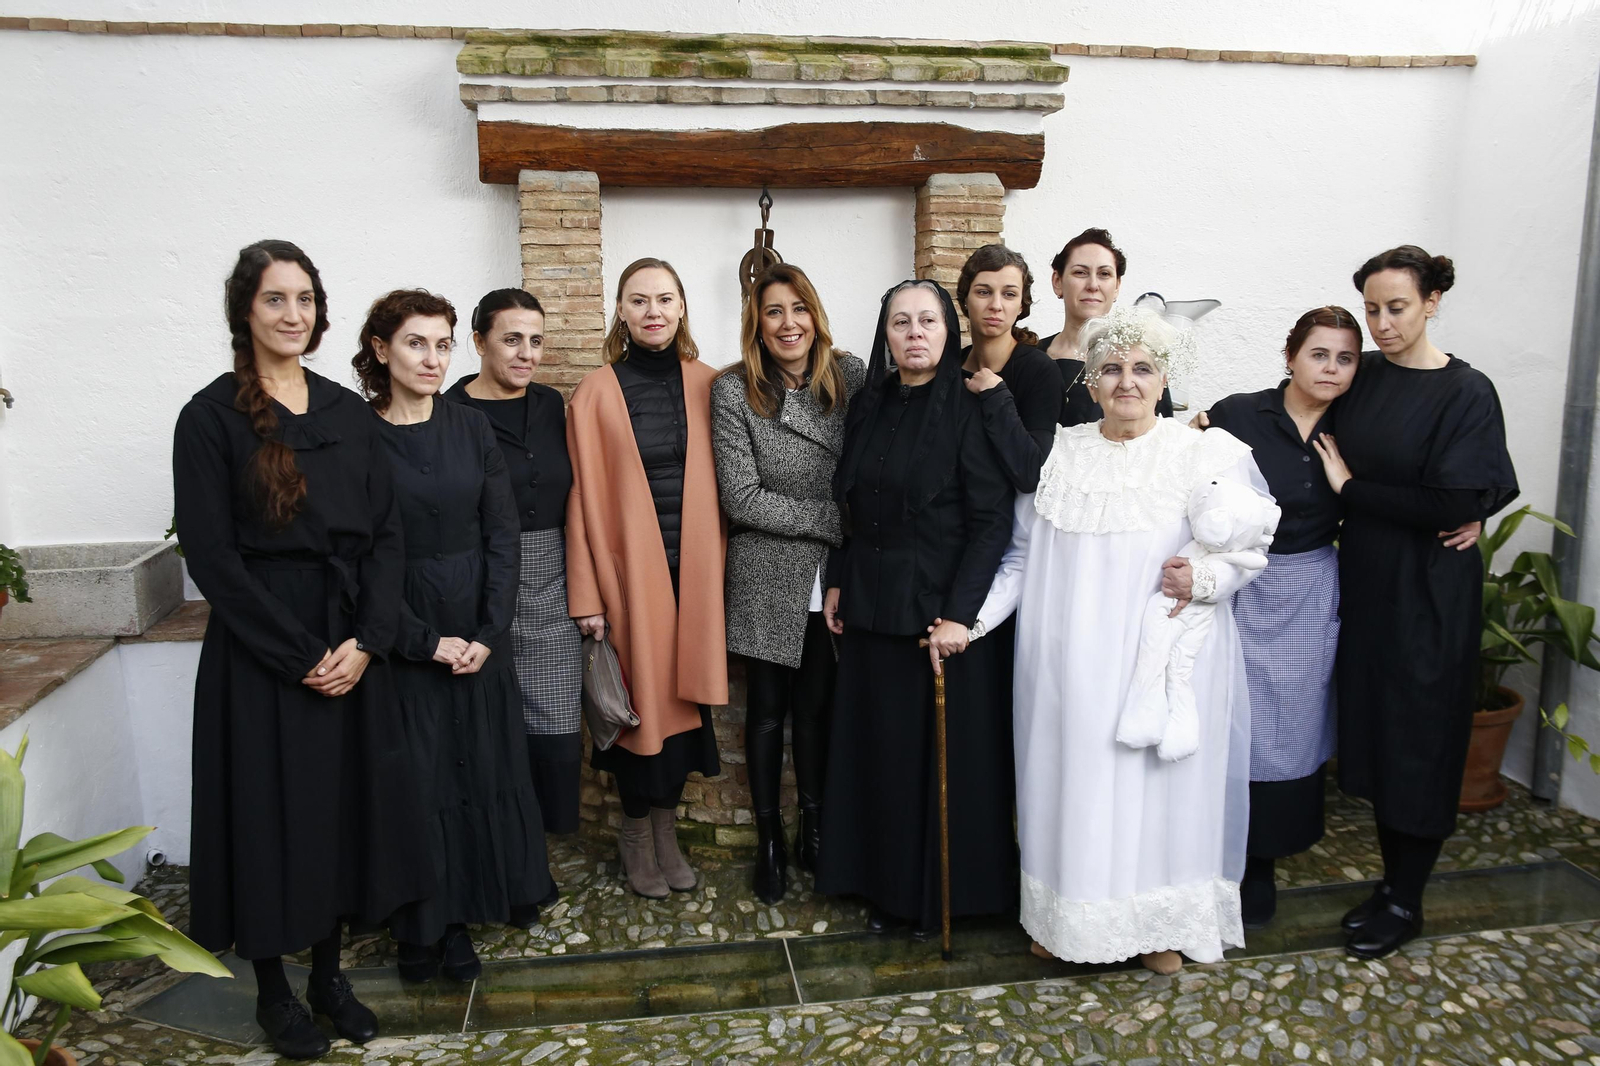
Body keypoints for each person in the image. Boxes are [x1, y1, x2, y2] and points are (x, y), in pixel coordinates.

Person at [174, 240, 429, 1059]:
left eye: (306, 300)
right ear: (244, 313)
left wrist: (367, 641)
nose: (294, 315)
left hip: (351, 636)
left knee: (339, 815)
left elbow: (388, 536)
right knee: (269, 817)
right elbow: (212, 558)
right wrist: (300, 656)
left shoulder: (348, 411)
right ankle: (275, 994)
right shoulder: (208, 418)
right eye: (276, 300)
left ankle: (328, 977)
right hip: (264, 651)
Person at [976, 304, 1272, 975]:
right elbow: (1020, 557)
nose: (1127, 381)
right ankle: (1065, 919)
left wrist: (1199, 577)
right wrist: (971, 624)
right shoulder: (1057, 455)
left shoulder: (1202, 454)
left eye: (1142, 368)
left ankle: (1155, 926)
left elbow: (1245, 554)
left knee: (1152, 792)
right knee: (1071, 783)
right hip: (1068, 663)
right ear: (1090, 380)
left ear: (1164, 379)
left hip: (1155, 663)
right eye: (1111, 368)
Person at [1313, 246, 1517, 958]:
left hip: (1430, 591)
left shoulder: (1466, 392)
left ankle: (1407, 898)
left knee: (1421, 740)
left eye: (1396, 307)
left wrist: (1353, 493)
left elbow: (1457, 498)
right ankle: (1390, 880)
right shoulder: (1361, 377)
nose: (1381, 323)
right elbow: (1296, 401)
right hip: (1370, 586)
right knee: (1379, 734)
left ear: (1432, 302)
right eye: (1371, 309)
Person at [354, 288, 553, 983]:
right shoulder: (357, 437)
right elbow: (357, 558)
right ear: (382, 350)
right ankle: (421, 925)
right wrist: (421, 642)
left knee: (482, 766)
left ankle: (465, 916)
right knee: (421, 781)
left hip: (477, 625)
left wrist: (487, 630)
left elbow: (503, 533)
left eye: (442, 343)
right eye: (416, 343)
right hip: (403, 628)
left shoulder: (471, 429)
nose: (433, 358)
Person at [816, 279, 1016, 936]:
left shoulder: (969, 405)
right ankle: (877, 884)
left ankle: (929, 899)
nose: (914, 333)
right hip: (872, 604)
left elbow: (991, 522)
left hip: (937, 614)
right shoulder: (869, 403)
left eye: (927, 320)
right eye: (900, 323)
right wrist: (839, 578)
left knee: (928, 767)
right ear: (886, 335)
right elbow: (852, 503)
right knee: (880, 757)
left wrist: (962, 615)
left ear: (947, 331)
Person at [566, 257, 728, 899]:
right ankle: (636, 838)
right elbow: (577, 499)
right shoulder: (595, 393)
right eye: (639, 301)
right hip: (629, 579)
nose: (653, 311)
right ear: (622, 313)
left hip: (696, 578)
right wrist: (587, 596)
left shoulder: (712, 385)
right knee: (637, 719)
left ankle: (668, 833)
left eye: (664, 298)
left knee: (684, 714)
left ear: (682, 307)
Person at [712, 264, 865, 903]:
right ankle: (769, 840)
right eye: (773, 311)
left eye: (798, 308)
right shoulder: (733, 390)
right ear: (757, 322)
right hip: (766, 572)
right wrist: (833, 519)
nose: (788, 323)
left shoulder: (852, 378)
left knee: (817, 710)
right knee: (768, 711)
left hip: (832, 574)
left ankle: (815, 828)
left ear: (815, 314)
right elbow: (741, 496)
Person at [1204, 307, 1360, 929]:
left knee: (1288, 722)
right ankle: (1215, 850)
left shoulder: (1358, 423)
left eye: (1346, 358)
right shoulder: (1243, 412)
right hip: (1239, 583)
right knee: (1229, 710)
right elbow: (1191, 466)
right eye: (1319, 354)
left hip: (1309, 583)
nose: (1331, 368)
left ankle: (1263, 858)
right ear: (1291, 355)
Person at [445, 289, 582, 852]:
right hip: (481, 583)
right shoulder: (450, 413)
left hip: (553, 581)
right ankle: (497, 849)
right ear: (478, 342)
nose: (526, 353)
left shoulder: (552, 406)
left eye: (536, 340)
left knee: (554, 718)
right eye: (511, 339)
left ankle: (539, 848)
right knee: (491, 722)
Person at [1038, 228, 1174, 425]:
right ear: (1057, 281)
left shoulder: (1145, 361)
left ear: (1117, 286)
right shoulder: (1031, 356)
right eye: (1080, 272)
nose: (1093, 285)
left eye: (1104, 274)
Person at [957, 244, 1060, 492]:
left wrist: (995, 395)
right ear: (965, 299)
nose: (996, 305)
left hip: (1008, 523)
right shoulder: (949, 367)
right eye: (983, 292)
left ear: (1022, 305)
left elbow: (1031, 473)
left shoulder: (1039, 371)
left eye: (1009, 294)